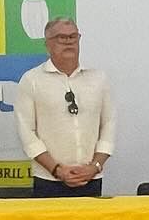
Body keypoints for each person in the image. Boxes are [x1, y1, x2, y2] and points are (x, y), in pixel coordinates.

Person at [13, 16, 115, 197]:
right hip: (49, 180)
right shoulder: (32, 80)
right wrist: (57, 170)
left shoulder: (98, 79)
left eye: (73, 36)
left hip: (91, 178)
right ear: (47, 44)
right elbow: (27, 132)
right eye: (61, 37)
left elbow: (109, 124)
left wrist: (95, 166)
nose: (68, 42)